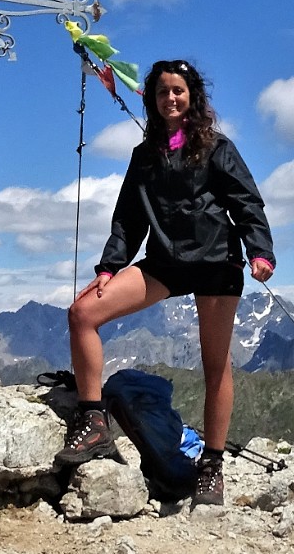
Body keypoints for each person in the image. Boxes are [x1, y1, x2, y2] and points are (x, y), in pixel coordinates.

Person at [57, 59, 275, 507]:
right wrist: (108, 267)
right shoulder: (145, 155)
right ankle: (94, 421)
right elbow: (128, 217)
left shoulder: (217, 147)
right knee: (83, 313)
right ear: (152, 101)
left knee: (216, 367)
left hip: (216, 262)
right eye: (162, 92)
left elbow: (247, 201)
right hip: (165, 262)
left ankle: (211, 468)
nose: (170, 98)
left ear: (192, 96)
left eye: (178, 90)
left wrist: (260, 252)